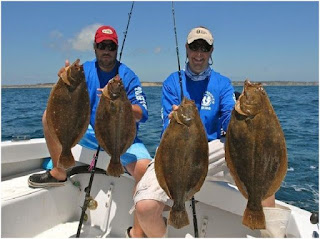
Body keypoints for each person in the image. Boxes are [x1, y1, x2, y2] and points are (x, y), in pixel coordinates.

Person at [131, 26, 276, 237]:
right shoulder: (173, 82)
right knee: (144, 207)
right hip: (178, 154)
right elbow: (165, 132)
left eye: (204, 48)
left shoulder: (223, 84)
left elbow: (227, 119)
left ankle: (272, 234)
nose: (199, 54)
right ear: (186, 49)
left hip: (213, 150)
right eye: (194, 47)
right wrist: (173, 122)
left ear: (211, 51)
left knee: (264, 177)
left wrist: (240, 118)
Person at [28, 25, 152, 238]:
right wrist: (63, 80)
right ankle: (59, 172)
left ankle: (137, 232)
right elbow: (63, 102)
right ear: (95, 47)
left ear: (116, 48)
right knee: (49, 116)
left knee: (144, 169)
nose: (106, 50)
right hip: (89, 133)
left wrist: (120, 102)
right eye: (102, 45)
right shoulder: (83, 71)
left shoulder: (127, 76)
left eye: (111, 46)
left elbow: (143, 113)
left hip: (120, 137)